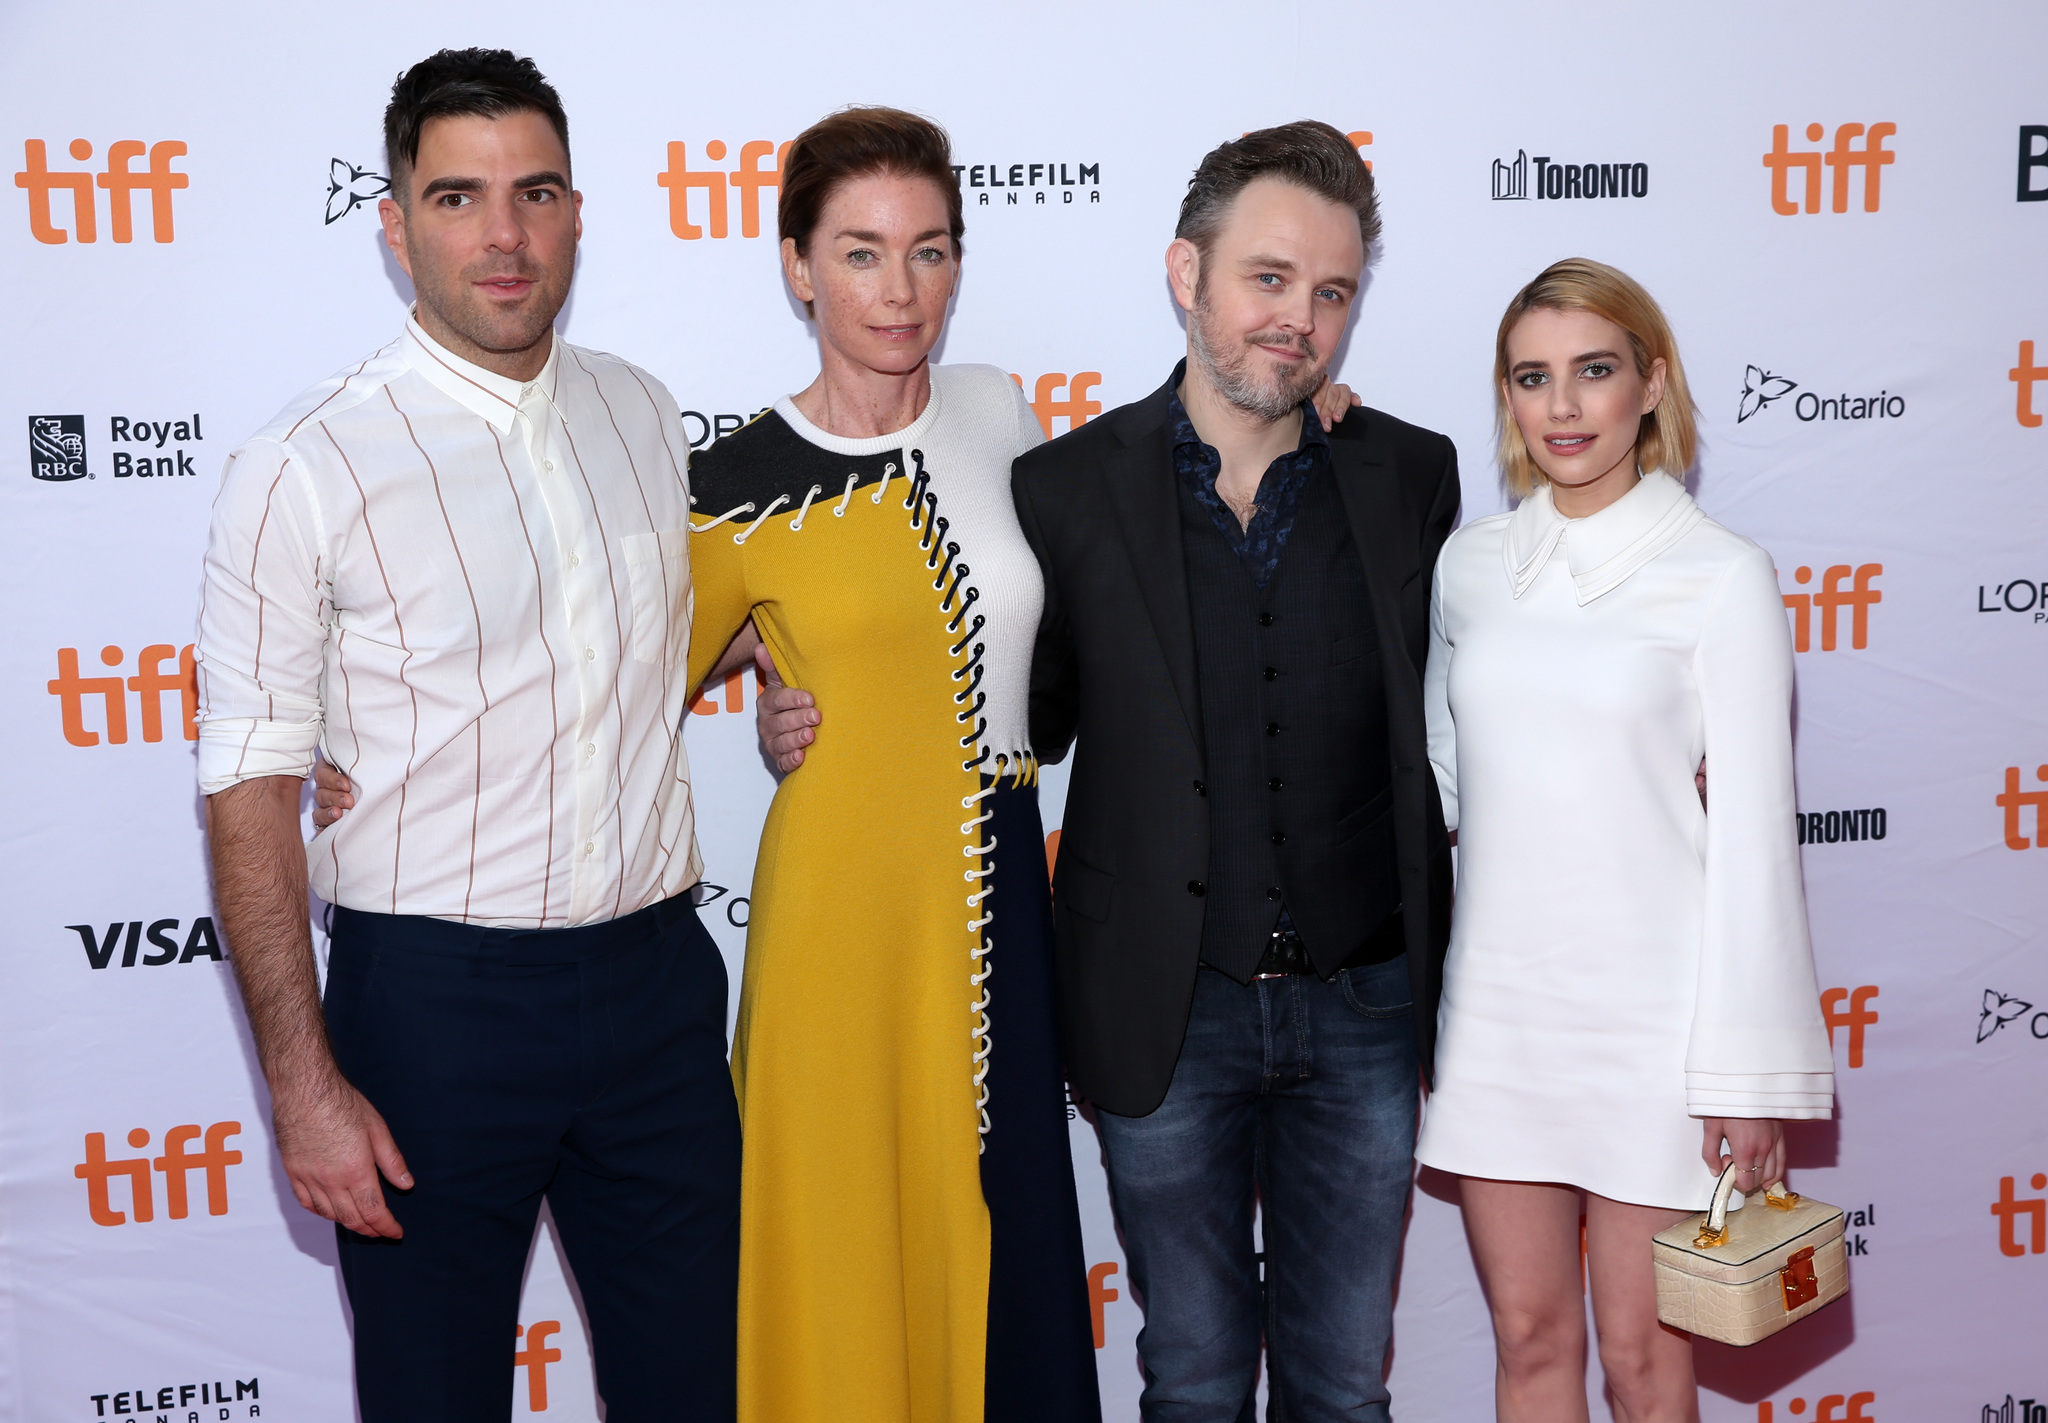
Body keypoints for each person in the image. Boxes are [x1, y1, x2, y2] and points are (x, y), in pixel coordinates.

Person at [767, 120, 1458, 1423]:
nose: (1298, 319)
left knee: (1345, 1386)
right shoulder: (1064, 487)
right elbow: (1010, 708)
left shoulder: (1410, 475)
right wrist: (798, 696)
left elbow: (1464, 700)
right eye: (1267, 278)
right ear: (1185, 274)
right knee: (1189, 1377)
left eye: (1331, 291)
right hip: (1162, 1016)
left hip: (1366, 1012)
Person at [196, 50, 738, 1423]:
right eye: (457, 196)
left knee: (708, 1388)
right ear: (395, 225)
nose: (503, 234)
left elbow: (649, 652)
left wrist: (784, 675)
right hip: (432, 1012)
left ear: (574, 210)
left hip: (660, 998)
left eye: (534, 192)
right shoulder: (303, 463)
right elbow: (249, 793)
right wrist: (303, 1088)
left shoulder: (645, 409)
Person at [1415, 258, 1834, 1421]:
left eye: (1592, 372)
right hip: (1499, 1013)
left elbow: (1756, 838)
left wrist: (1744, 1075)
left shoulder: (1718, 577)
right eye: (1530, 377)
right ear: (1504, 396)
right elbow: (1440, 777)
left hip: (1656, 1028)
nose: (1560, 406)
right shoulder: (1469, 569)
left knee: (1647, 1358)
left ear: (1650, 384)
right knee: (1529, 1337)